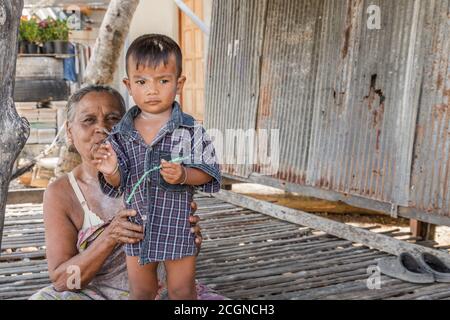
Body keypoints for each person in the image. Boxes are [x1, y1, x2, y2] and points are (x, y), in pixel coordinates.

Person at [29, 85, 224, 300]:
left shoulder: (155, 175)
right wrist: (110, 237)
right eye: (88, 120)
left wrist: (189, 238)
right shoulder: (61, 193)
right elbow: (63, 281)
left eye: (113, 119)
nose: (102, 129)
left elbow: (182, 252)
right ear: (69, 132)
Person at [92, 34, 221, 300]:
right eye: (142, 82)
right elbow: (119, 183)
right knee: (141, 291)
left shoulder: (190, 130)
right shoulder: (120, 135)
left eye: (163, 80)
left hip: (177, 226)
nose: (152, 90)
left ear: (179, 83)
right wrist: (111, 170)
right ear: (129, 85)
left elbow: (208, 171)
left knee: (182, 290)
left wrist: (184, 174)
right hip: (137, 228)